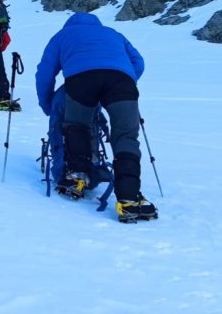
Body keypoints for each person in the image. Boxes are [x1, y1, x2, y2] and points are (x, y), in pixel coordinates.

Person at [35, 12, 157, 222]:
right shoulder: (113, 33)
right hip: (121, 81)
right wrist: (124, 80)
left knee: (78, 126)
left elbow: (45, 72)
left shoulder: (62, 36)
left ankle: (77, 177)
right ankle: (130, 198)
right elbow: (139, 62)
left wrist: (47, 104)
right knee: (126, 136)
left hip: (81, 80)